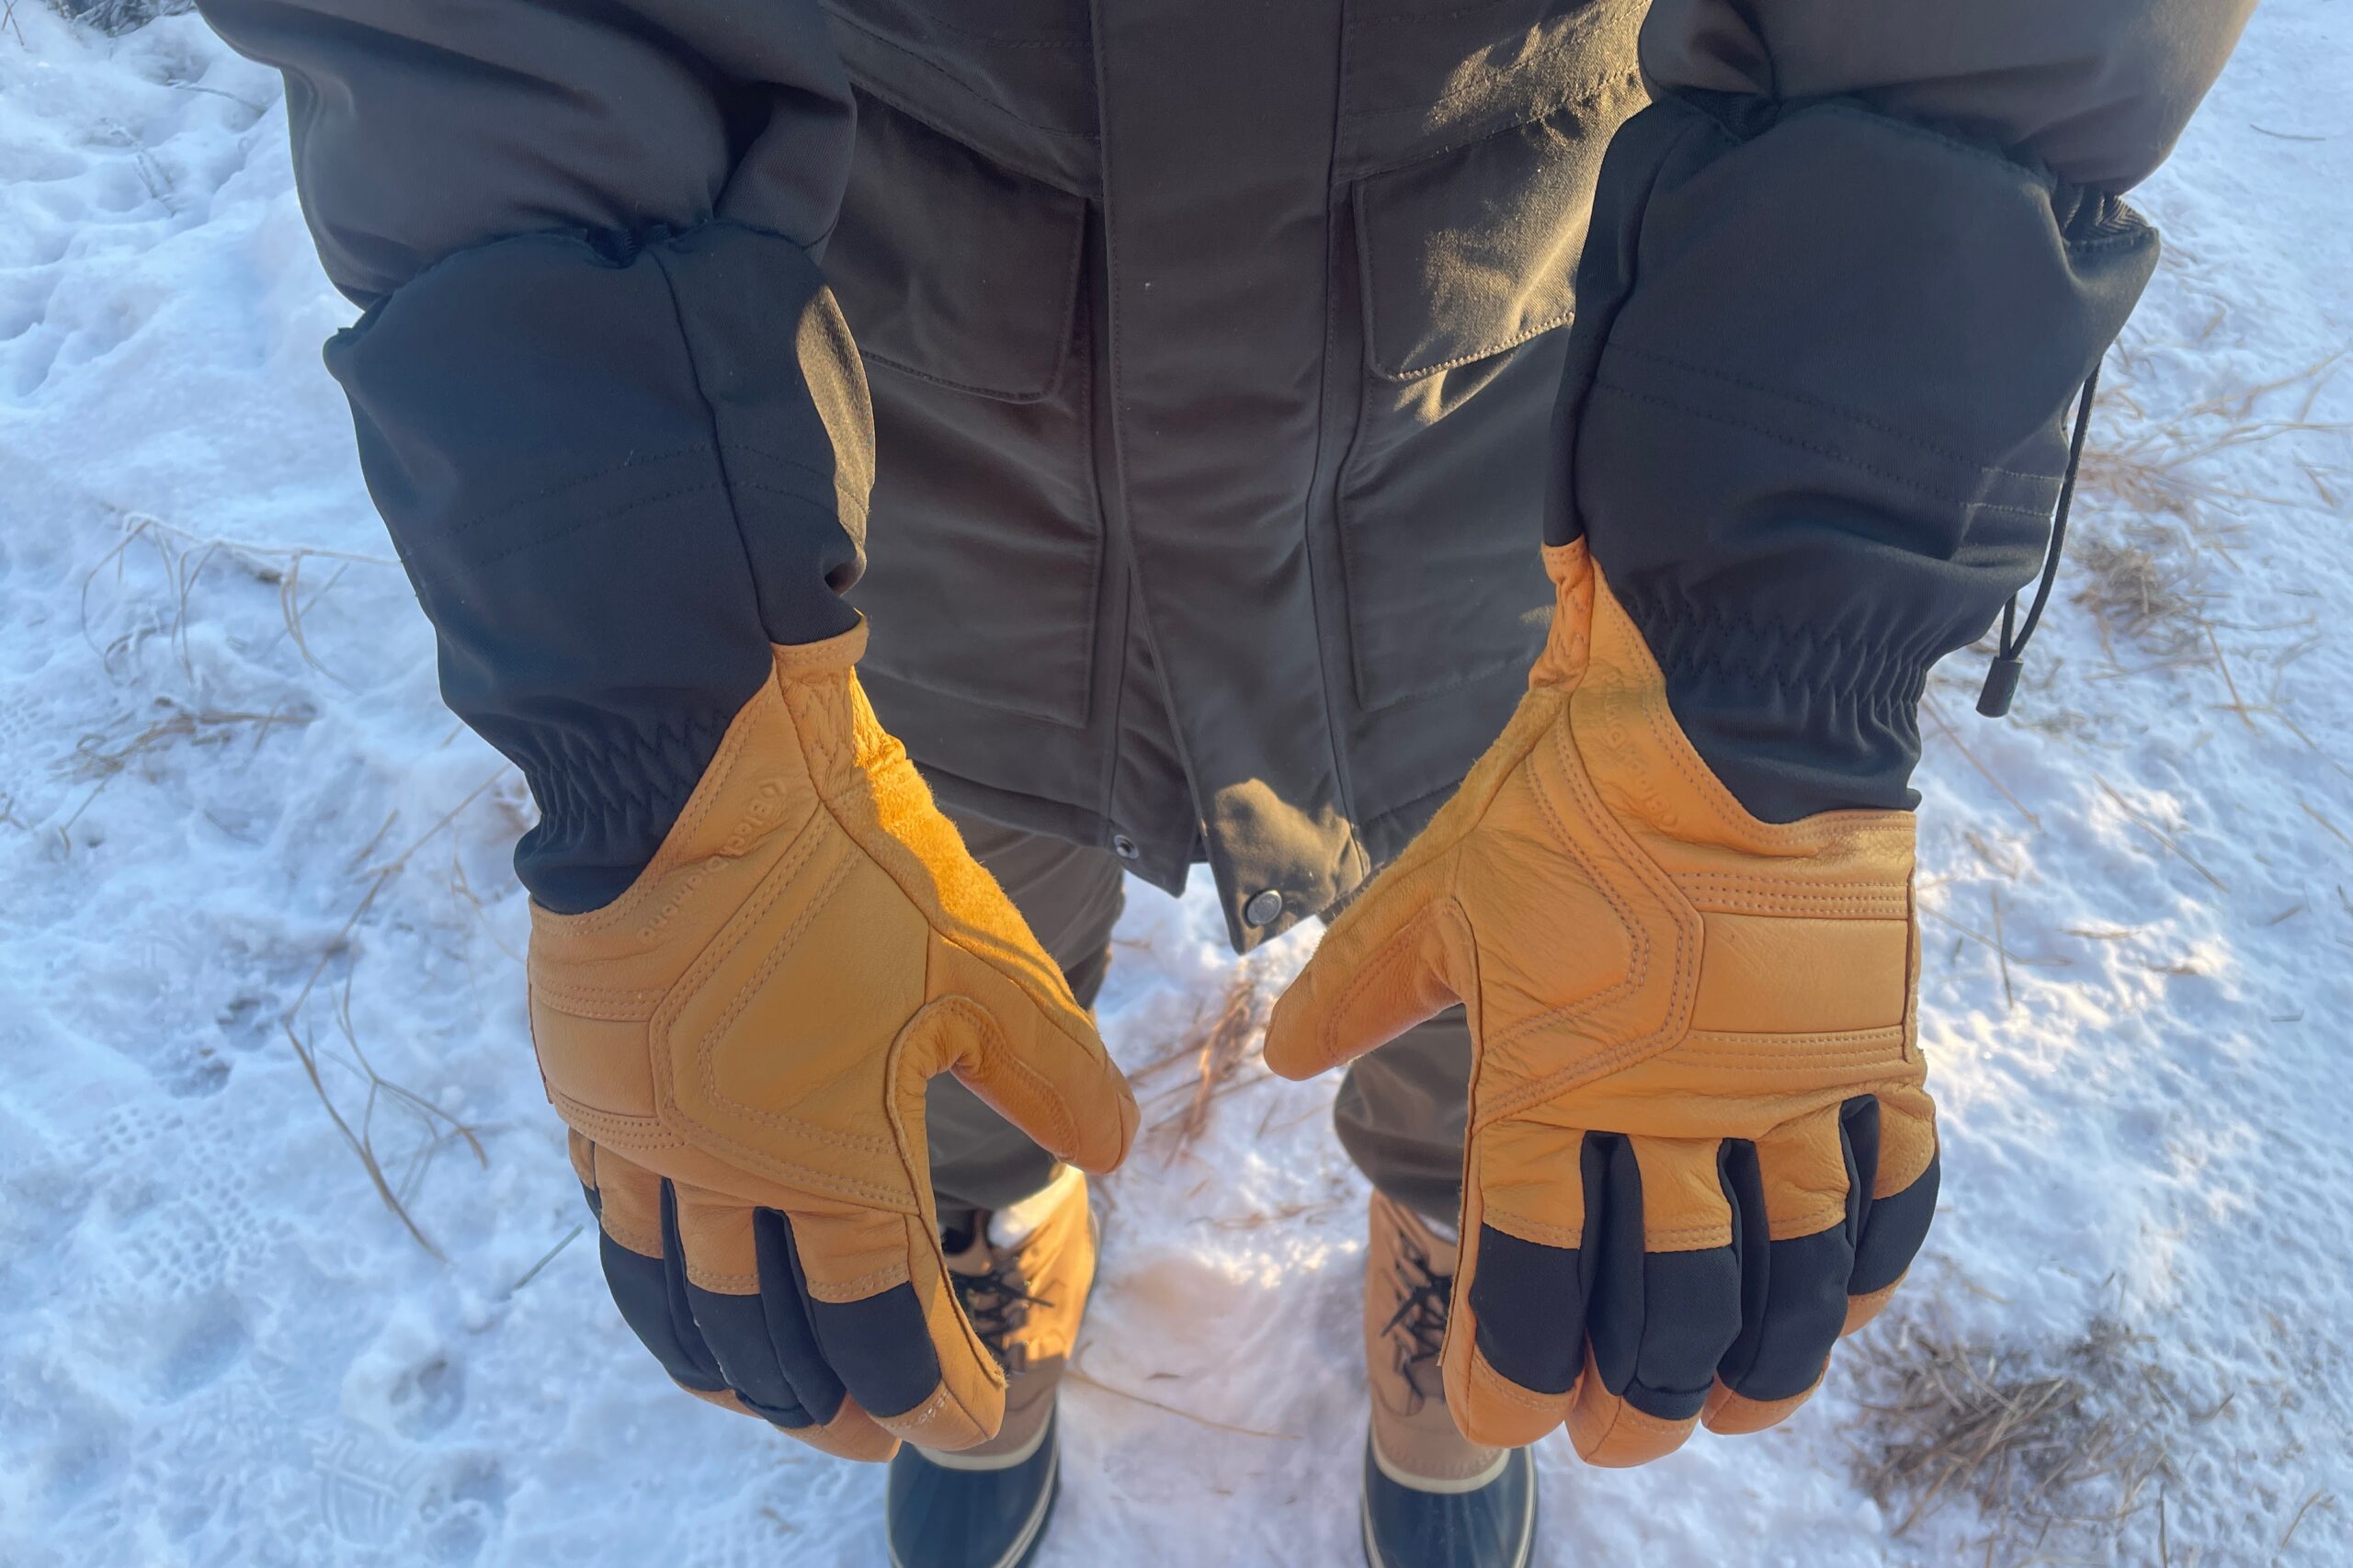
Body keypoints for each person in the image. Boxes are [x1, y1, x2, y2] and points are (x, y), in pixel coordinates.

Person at [194, 3, 2253, 1563]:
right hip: (868, 331)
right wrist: (646, 678)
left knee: (1557, 886)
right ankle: (972, 1230)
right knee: (882, 885)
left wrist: (1775, 639)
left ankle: (1466, 1226)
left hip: (1505, 338)